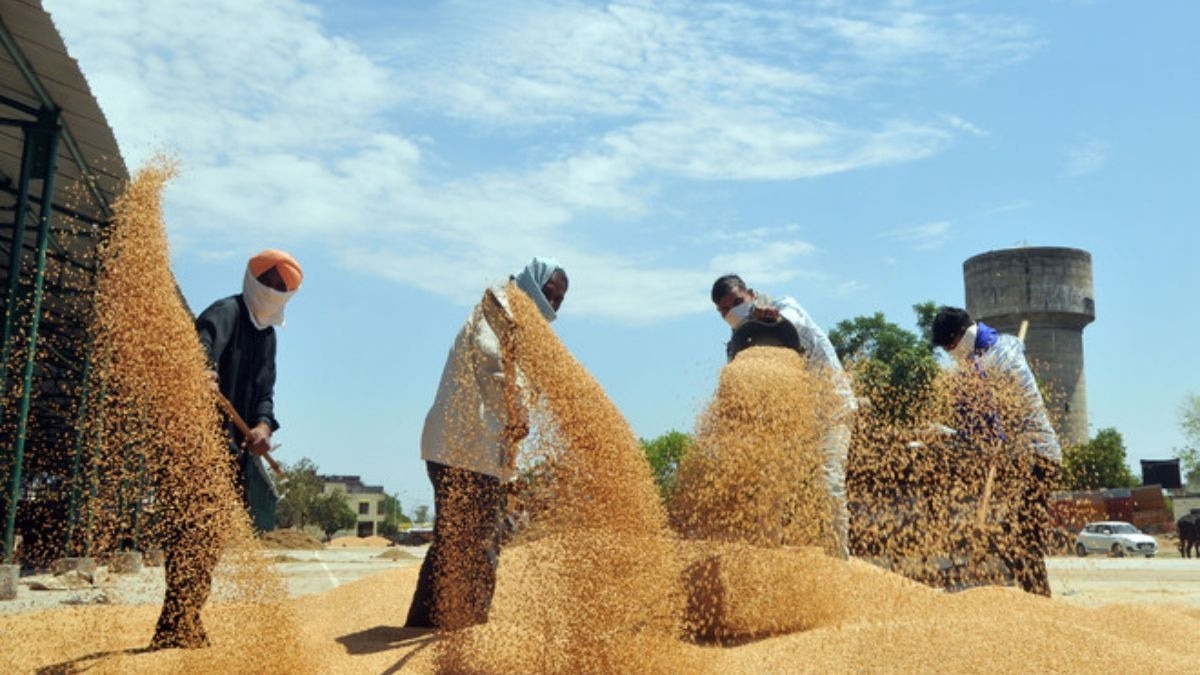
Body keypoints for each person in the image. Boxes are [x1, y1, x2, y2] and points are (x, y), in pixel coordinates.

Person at [405, 257, 568, 630]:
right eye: (549, 293)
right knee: (481, 541)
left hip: (475, 452)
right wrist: (517, 411)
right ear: (531, 283)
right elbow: (492, 365)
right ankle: (471, 630)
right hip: (461, 447)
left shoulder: (521, 328)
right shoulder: (497, 308)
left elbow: (517, 382)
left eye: (559, 300)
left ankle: (424, 624)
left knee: (452, 540)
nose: (552, 304)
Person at [150, 249, 302, 649]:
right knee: (189, 537)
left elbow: (265, 395)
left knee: (209, 540)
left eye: (280, 286)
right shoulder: (226, 312)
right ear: (252, 279)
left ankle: (181, 620)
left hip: (230, 453)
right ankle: (177, 623)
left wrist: (262, 428)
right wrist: (202, 371)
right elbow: (200, 348)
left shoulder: (267, 337)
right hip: (193, 446)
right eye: (267, 281)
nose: (272, 290)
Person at [710, 274, 857, 558]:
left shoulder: (784, 306)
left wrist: (775, 319)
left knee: (828, 483)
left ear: (751, 294)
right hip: (789, 421)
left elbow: (790, 323)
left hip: (830, 408)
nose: (732, 311)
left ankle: (840, 561)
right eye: (724, 309)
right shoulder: (740, 344)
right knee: (768, 487)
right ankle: (769, 556)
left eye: (738, 302)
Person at [930, 306, 1060, 597]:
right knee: (1009, 533)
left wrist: (956, 434)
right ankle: (1032, 595)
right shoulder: (1004, 344)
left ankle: (1040, 602)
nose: (950, 353)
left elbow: (983, 422)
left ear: (961, 334)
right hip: (1021, 456)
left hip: (1037, 456)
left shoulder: (990, 362)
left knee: (1024, 537)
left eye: (950, 346)